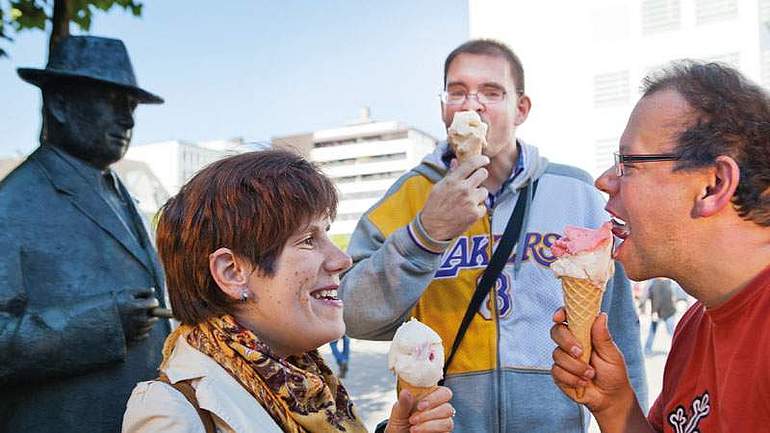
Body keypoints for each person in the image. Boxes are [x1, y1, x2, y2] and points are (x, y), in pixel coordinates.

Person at [340, 38, 646, 433]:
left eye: (491, 92)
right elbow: (350, 315)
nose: (472, 105)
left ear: (521, 109)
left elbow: (619, 327)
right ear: (442, 108)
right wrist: (424, 235)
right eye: (457, 92)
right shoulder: (408, 197)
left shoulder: (577, 193)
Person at [122, 150, 455, 433]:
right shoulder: (169, 412)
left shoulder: (307, 383)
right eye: (308, 240)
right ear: (232, 271)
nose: (342, 260)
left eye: (327, 233)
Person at [550, 61, 770, 432]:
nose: (604, 181)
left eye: (628, 163)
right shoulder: (693, 326)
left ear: (713, 185)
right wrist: (615, 406)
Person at [0, 36, 169, 433]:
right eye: (113, 102)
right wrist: (101, 322)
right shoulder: (13, 205)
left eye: (130, 107)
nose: (128, 121)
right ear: (59, 104)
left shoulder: (117, 189)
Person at [642, 278, 676, 356]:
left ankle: (678, 350)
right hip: (661, 312)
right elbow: (656, 299)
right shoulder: (658, 283)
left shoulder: (666, 283)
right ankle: (647, 350)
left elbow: (671, 297)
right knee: (653, 332)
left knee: (672, 332)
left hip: (667, 311)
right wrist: (654, 312)